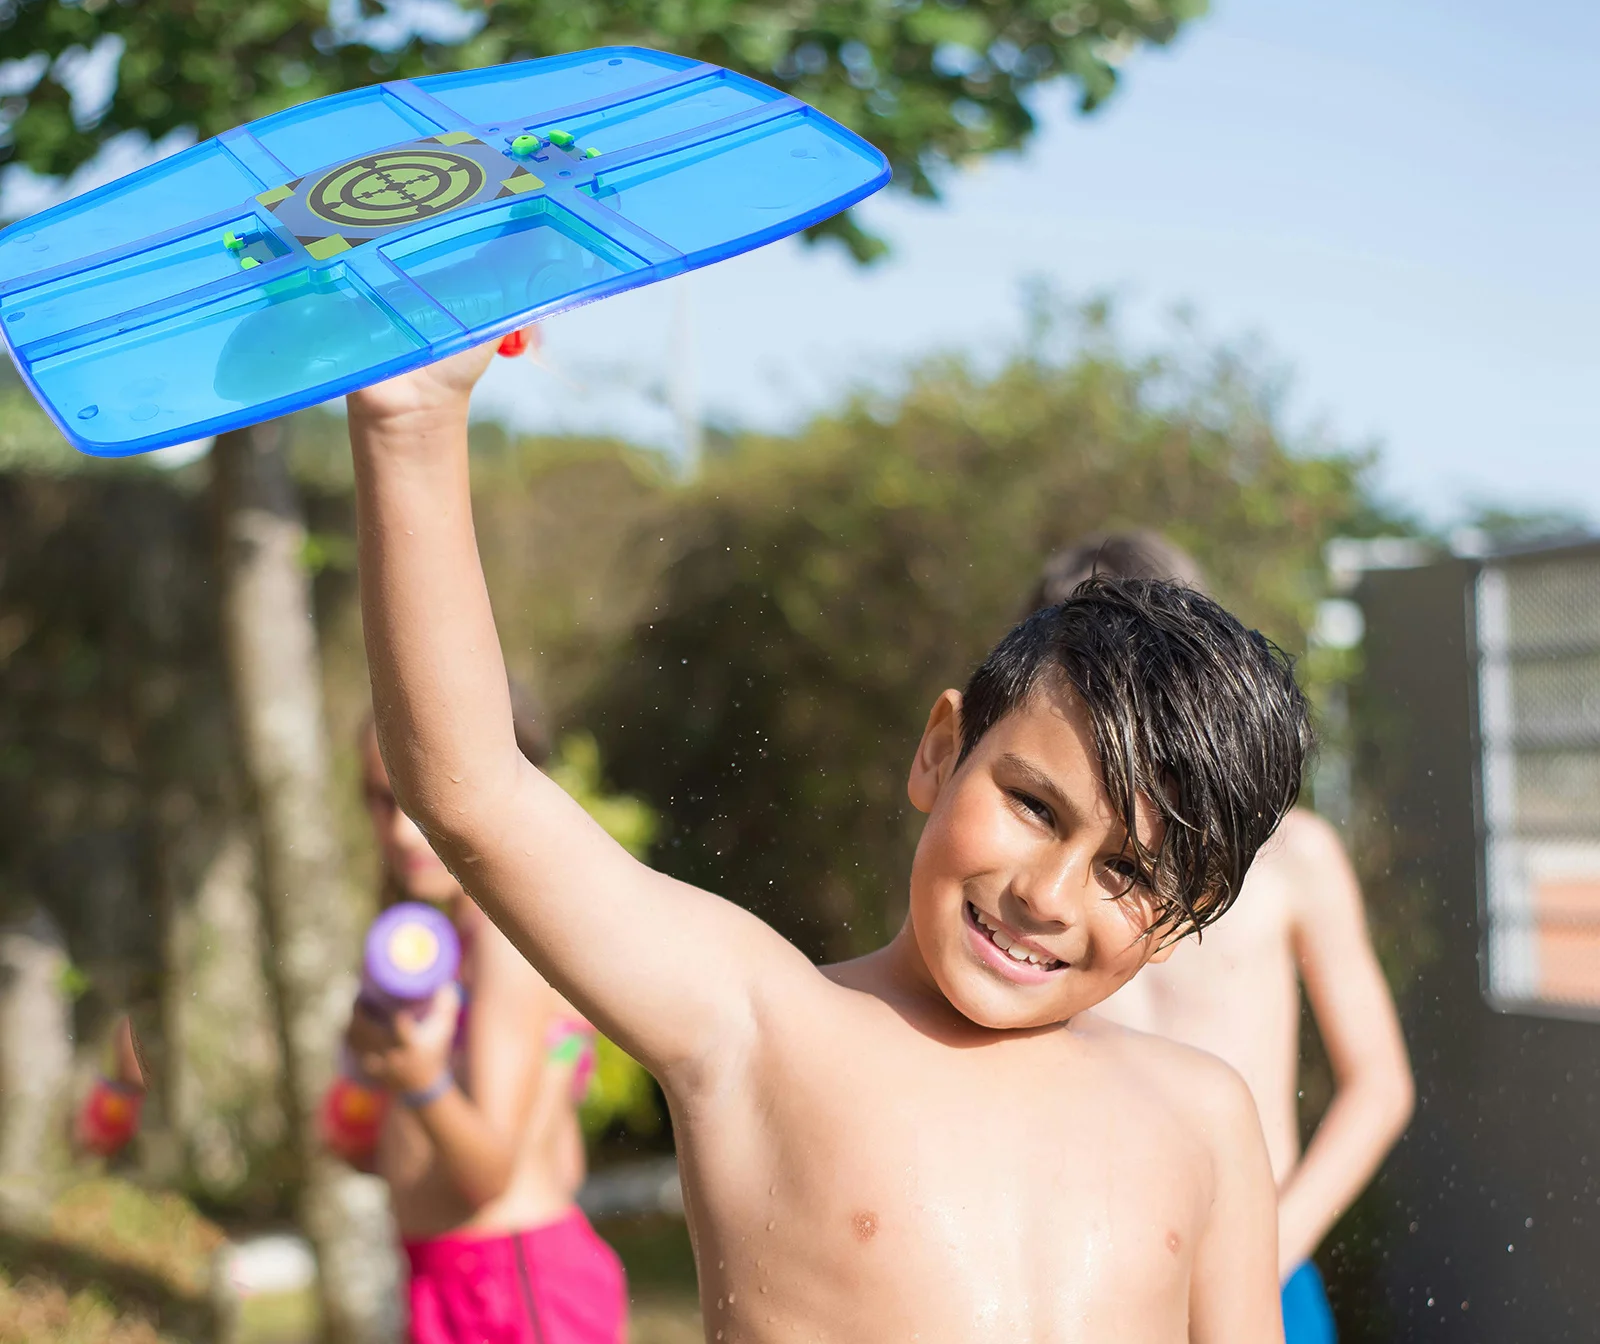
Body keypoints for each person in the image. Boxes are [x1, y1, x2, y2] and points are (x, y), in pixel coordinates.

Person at [345, 341, 1316, 1343]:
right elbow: (472, 792)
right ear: (939, 752)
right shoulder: (761, 1027)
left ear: (1171, 922)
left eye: (1126, 870)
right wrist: (411, 427)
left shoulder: (1203, 1116)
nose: (1048, 893)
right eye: (1034, 806)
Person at [1029, 532, 1415, 1344]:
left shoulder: (1295, 857)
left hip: (1267, 1257)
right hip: (1085, 1266)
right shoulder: (1035, 880)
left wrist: (1271, 1244)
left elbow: (1379, 1084)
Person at [329, 698, 627, 1344]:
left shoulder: (504, 936)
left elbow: (487, 1174)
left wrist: (417, 1080)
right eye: (383, 801)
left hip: (513, 1286)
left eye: (420, 799)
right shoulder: (435, 942)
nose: (404, 832)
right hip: (449, 1277)